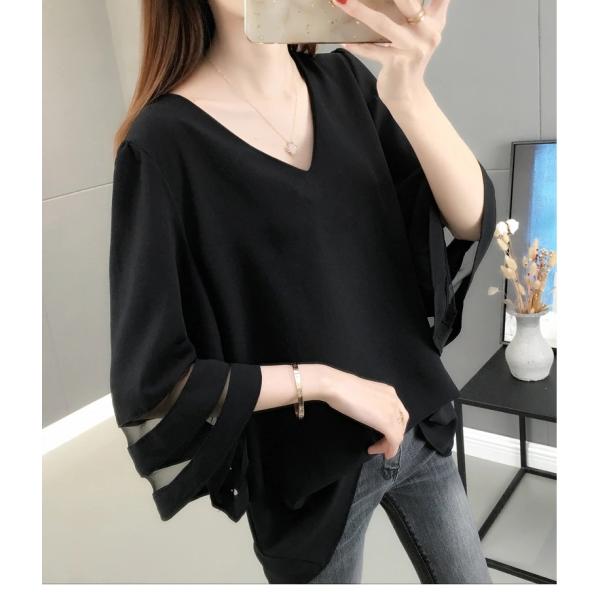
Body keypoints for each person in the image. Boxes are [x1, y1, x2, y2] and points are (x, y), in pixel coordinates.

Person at [109, 0, 496, 584]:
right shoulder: (162, 144)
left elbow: (469, 220)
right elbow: (156, 380)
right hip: (308, 479)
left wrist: (410, 91)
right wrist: (325, 383)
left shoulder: (347, 83)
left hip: (417, 421)